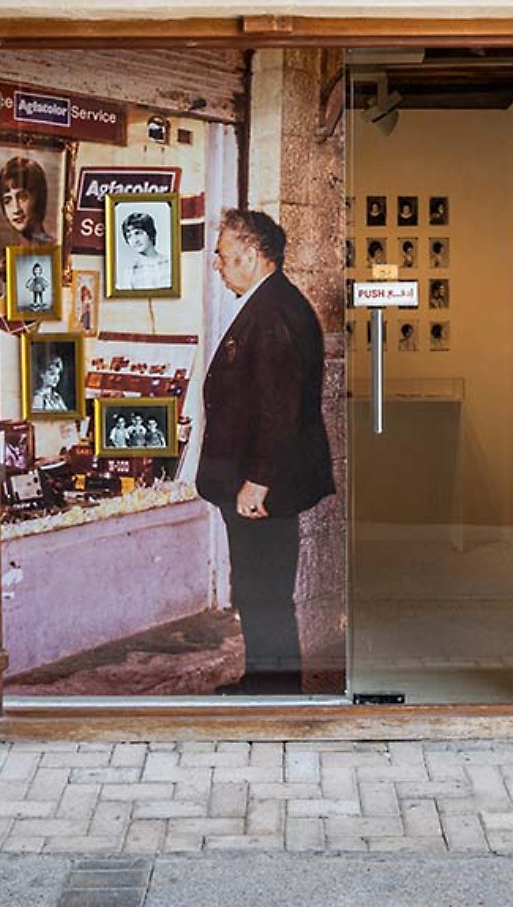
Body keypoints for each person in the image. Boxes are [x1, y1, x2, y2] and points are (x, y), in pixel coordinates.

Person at [197, 208, 335, 695]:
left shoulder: (274, 312)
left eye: (222, 255)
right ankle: (263, 681)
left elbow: (280, 410)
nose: (217, 264)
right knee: (258, 588)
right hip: (253, 481)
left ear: (252, 255)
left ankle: (274, 690)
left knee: (267, 591)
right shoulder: (269, 302)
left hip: (261, 486)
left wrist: (258, 481)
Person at [0, 155, 53, 244]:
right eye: (7, 201)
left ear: (38, 198)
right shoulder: (4, 256)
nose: (16, 209)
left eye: (22, 197)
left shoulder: (56, 249)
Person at [120, 212, 171, 290]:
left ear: (150, 233)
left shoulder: (169, 264)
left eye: (138, 233)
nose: (135, 240)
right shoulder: (130, 272)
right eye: (129, 236)